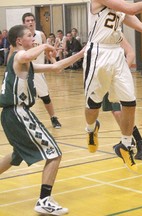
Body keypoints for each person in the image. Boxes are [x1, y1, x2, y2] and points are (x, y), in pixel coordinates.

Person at [0, 24, 84, 215]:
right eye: (30, 36)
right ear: (19, 41)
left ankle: (44, 200)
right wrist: (46, 46)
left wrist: (82, 53)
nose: (34, 38)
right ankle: (44, 200)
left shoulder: (25, 63)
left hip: (11, 115)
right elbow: (27, 55)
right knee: (54, 153)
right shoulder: (19, 55)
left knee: (16, 155)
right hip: (18, 113)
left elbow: (56, 67)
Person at [84, 0, 142, 172]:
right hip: (98, 53)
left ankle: (125, 145)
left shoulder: (120, 9)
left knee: (129, 102)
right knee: (92, 105)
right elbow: (131, 8)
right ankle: (91, 128)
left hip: (116, 53)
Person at [102, 36, 142, 160]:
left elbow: (131, 53)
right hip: (104, 76)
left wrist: (122, 72)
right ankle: (129, 139)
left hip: (116, 78)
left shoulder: (115, 33)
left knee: (120, 112)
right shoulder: (97, 35)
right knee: (114, 111)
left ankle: (137, 141)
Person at [22, 13, 62, 128]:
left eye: (32, 20)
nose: (30, 22)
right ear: (24, 23)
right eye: (27, 20)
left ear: (35, 22)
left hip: (39, 71)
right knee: (24, 98)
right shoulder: (21, 36)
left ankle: (53, 118)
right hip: (25, 71)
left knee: (45, 97)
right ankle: (25, 121)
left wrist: (55, 63)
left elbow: (47, 52)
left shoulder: (41, 35)